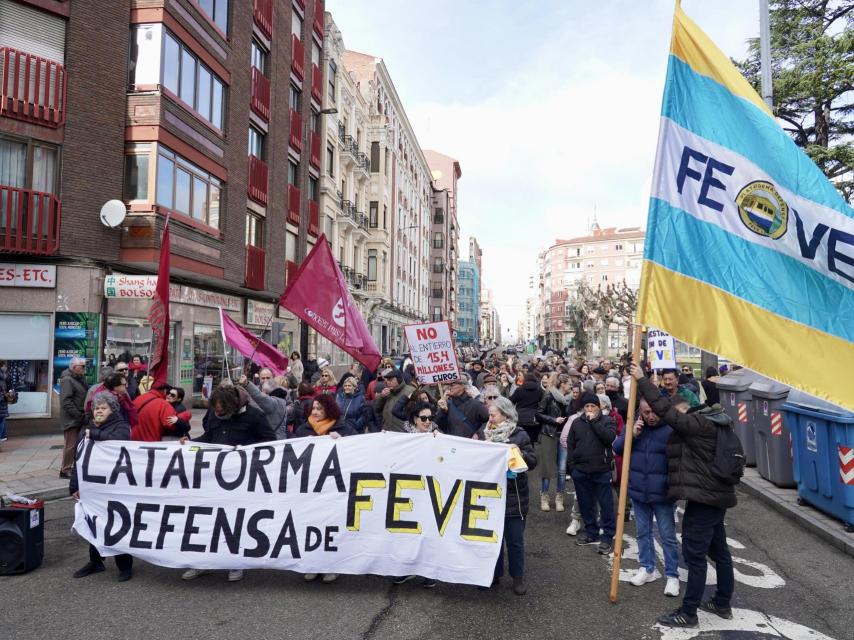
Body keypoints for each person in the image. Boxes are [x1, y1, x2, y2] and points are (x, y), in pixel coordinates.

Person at [630, 363, 736, 629]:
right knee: (720, 551)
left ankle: (688, 613)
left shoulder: (695, 425)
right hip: (718, 497)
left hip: (704, 499)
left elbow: (664, 410)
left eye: (675, 416)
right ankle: (722, 602)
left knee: (695, 556)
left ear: (683, 410)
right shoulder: (715, 420)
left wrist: (642, 380)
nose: (672, 423)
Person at [181, 385, 276, 583]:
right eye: (215, 409)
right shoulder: (215, 414)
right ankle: (201, 562)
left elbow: (270, 442)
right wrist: (191, 444)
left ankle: (235, 563)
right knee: (207, 519)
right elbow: (210, 437)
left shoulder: (254, 417)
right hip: (213, 477)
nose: (218, 413)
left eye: (222, 410)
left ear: (233, 405)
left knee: (234, 521)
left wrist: (246, 450)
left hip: (241, 480)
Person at [613, 398, 680, 597]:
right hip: (638, 490)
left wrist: (674, 489)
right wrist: (632, 435)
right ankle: (647, 567)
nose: (650, 416)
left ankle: (672, 575)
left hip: (663, 493)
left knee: (667, 536)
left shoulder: (670, 430)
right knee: (642, 532)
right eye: (645, 412)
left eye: (653, 412)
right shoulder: (634, 426)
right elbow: (617, 448)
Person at [69, 392, 133, 582]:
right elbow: (78, 460)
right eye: (96, 408)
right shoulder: (86, 429)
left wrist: (94, 434)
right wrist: (74, 486)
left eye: (103, 408)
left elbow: (117, 442)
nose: (99, 411)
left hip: (115, 487)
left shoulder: (120, 426)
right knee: (93, 523)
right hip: (93, 487)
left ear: (112, 410)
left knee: (117, 524)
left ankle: (125, 566)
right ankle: (96, 561)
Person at [476, 396, 536, 595]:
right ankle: (494, 574)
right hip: (489, 495)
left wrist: (521, 454)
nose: (490, 418)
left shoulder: (519, 435)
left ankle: (517, 578)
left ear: (505, 414)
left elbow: (532, 462)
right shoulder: (483, 434)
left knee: (515, 540)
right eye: (489, 415)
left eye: (493, 414)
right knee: (492, 538)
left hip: (514, 497)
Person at [293, 393, 355, 583]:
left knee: (330, 526)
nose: (316, 412)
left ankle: (331, 565)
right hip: (311, 486)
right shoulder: (304, 429)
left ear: (329, 409)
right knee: (311, 525)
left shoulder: (342, 428)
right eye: (314, 408)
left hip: (333, 487)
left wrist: (342, 441)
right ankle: (313, 564)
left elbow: (360, 448)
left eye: (320, 408)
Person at [566, 392, 617, 555]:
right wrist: (572, 467)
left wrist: (595, 422)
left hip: (601, 470)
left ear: (599, 407)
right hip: (581, 470)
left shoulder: (607, 421)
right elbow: (570, 444)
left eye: (593, 406)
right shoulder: (576, 422)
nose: (589, 409)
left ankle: (608, 537)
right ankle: (591, 532)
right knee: (586, 504)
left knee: (606, 505)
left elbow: (609, 438)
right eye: (587, 406)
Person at [536, 373, 570, 512]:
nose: (571, 386)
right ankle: (544, 497)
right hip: (549, 434)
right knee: (547, 468)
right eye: (569, 384)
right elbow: (538, 414)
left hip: (564, 436)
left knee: (562, 470)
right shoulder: (549, 395)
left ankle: (559, 498)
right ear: (562, 384)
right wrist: (554, 420)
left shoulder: (568, 399)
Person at [59, 357, 89, 479]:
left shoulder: (78, 379)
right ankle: (65, 469)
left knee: (75, 444)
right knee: (70, 445)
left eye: (84, 366)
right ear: (73, 367)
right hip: (71, 418)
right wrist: (78, 415)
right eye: (82, 366)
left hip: (77, 417)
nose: (84, 369)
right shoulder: (67, 380)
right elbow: (66, 401)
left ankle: (70, 467)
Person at [240, 375, 294, 440]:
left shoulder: (273, 403)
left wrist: (247, 384)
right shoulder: (281, 401)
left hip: (274, 441)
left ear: (265, 392)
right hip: (279, 439)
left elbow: (258, 396)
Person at [510, 373, 543, 444]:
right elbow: (542, 403)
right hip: (533, 418)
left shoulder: (519, 390)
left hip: (520, 417)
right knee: (531, 440)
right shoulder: (539, 390)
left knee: (519, 438)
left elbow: (511, 400)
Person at [0, 360, 9, 444]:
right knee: (1, 421)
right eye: (4, 366)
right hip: (1, 403)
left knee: (2, 420)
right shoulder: (2, 378)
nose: (6, 368)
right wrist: (4, 396)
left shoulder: (3, 378)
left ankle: (2, 438)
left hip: (2, 404)